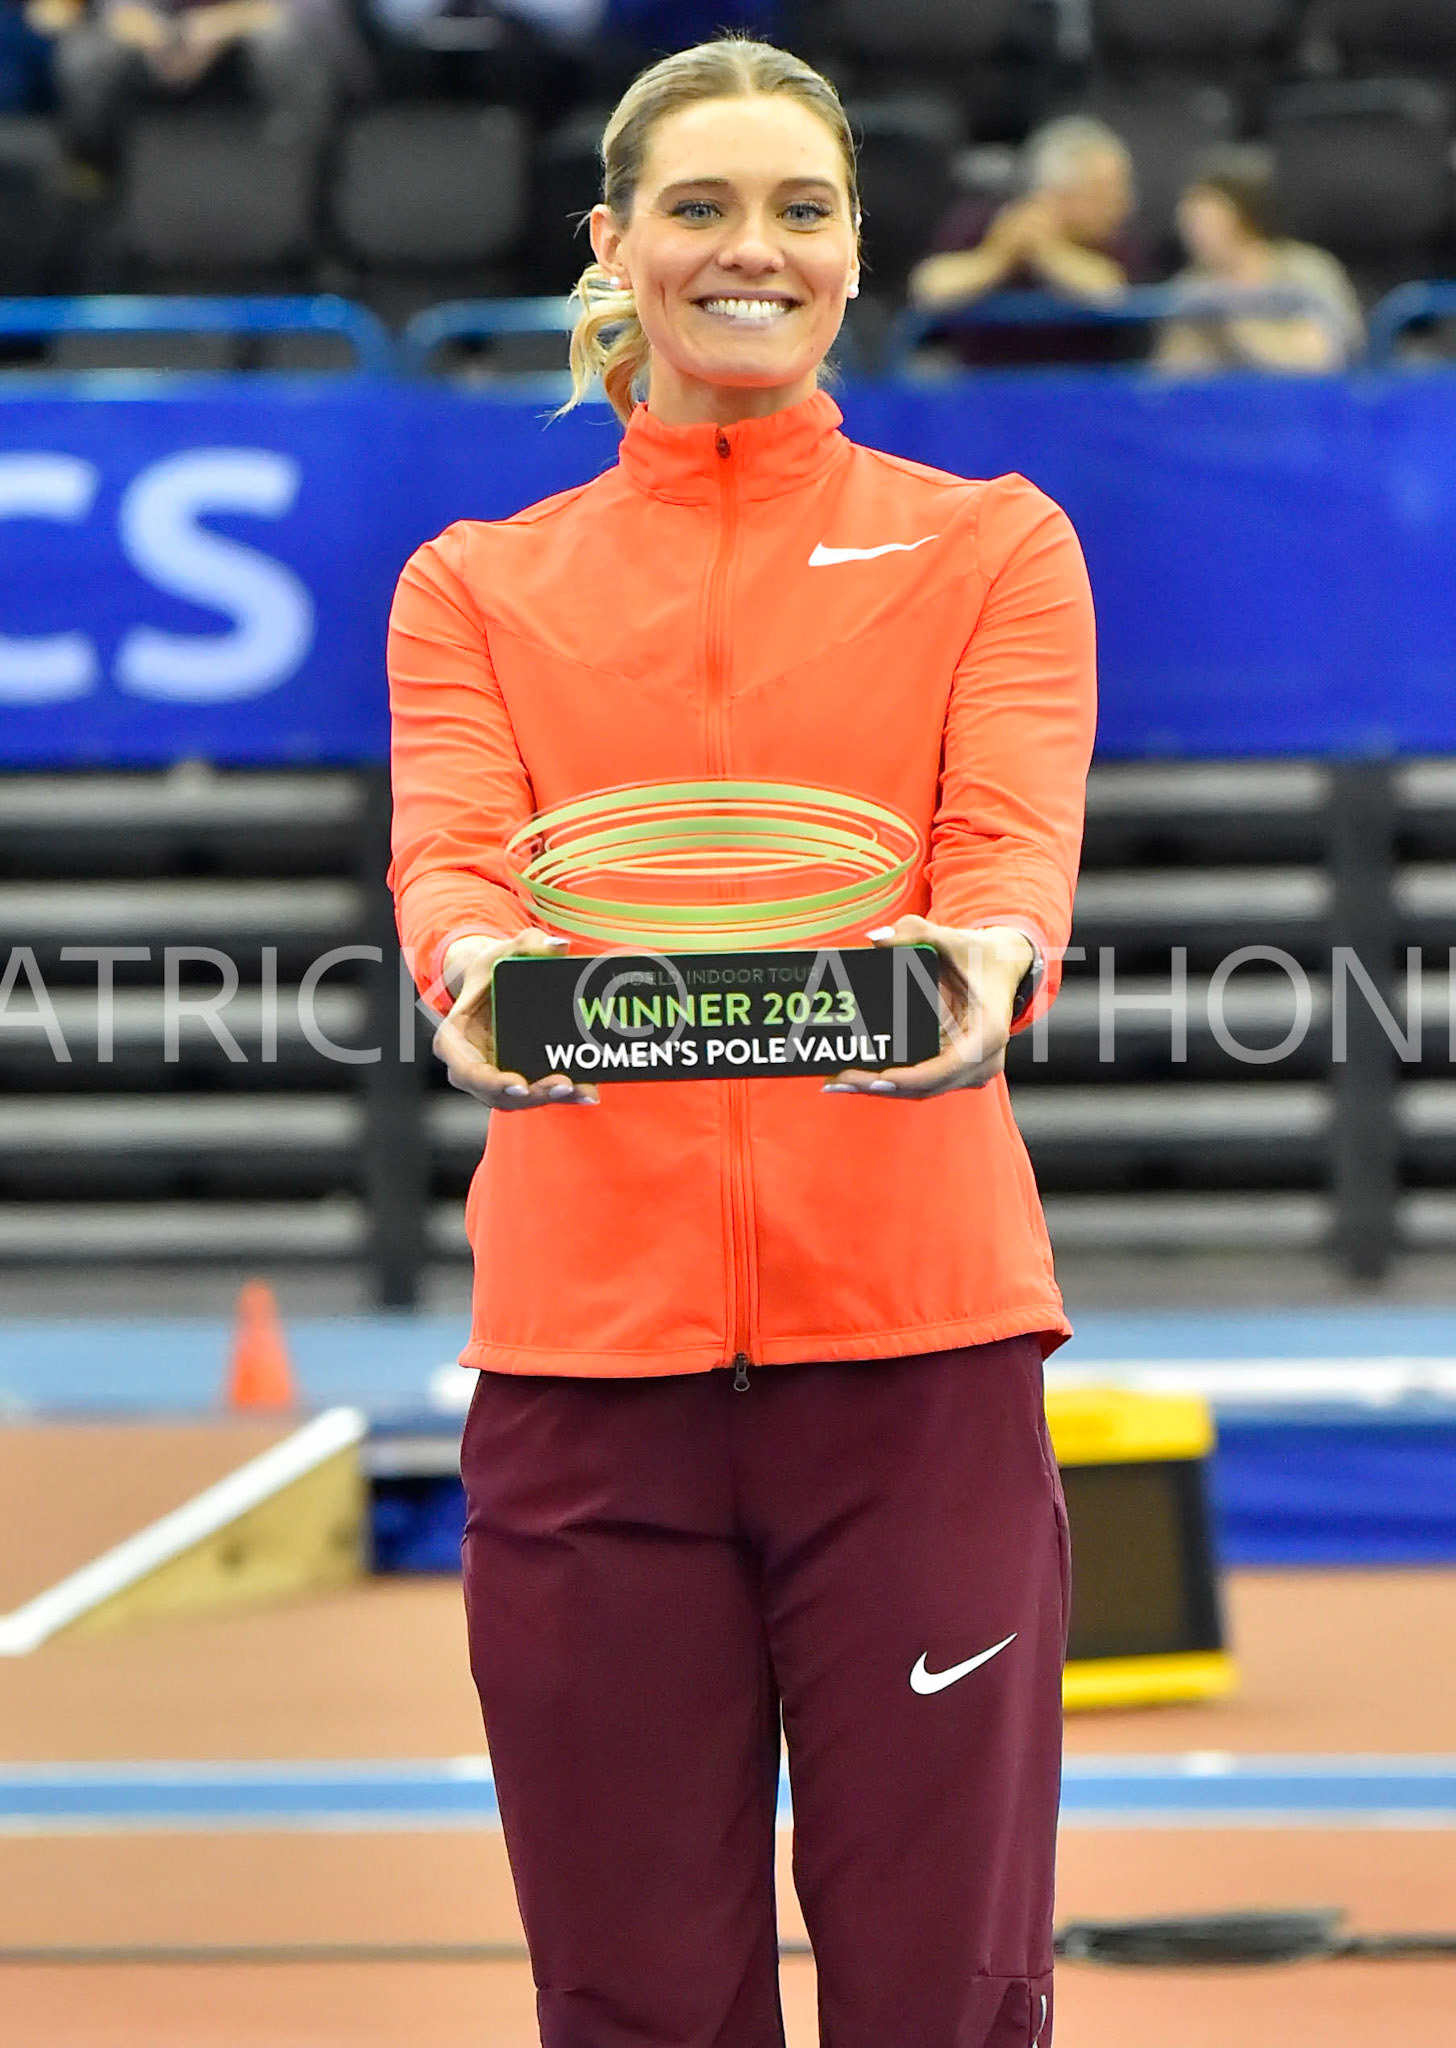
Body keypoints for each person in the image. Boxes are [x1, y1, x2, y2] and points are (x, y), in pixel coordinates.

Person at [387, 34, 1095, 2048]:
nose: (747, 251)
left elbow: (1000, 861)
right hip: (585, 1373)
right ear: (614, 243)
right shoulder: (474, 585)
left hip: (918, 1359)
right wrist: (467, 990)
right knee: (631, 2000)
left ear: (856, 253)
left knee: (939, 1994)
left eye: (797, 210)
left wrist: (974, 974)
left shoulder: (990, 546)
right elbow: (450, 868)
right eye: (698, 208)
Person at [908, 113, 1150, 365]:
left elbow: (1112, 295)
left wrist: (1047, 251)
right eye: (1102, 191)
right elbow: (929, 288)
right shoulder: (983, 223)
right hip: (984, 385)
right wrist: (998, 257)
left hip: (1086, 387)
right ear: (1055, 193)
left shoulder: (1122, 241)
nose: (1121, 202)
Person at [32, 0, 362, 162]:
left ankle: (305, 183)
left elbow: (318, 11)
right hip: (153, 48)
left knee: (284, 39)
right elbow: (52, 16)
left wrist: (225, 23)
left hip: (239, 49)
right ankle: (92, 176)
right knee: (86, 56)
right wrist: (131, 24)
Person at [1155, 146, 1364, 374]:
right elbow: (1171, 377)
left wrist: (1236, 323)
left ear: (1243, 217)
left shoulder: (1306, 270)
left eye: (1206, 220)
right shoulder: (1191, 287)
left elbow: (1315, 363)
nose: (1193, 233)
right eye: (1189, 221)